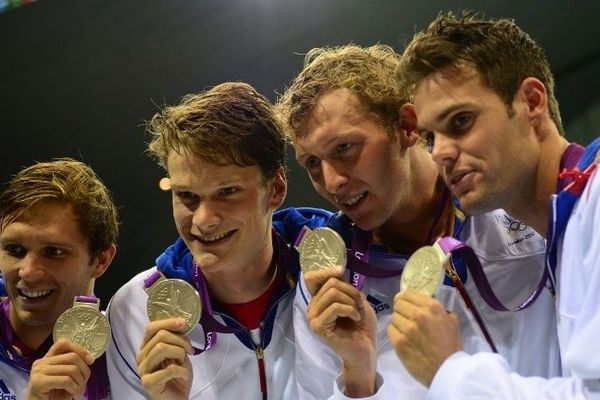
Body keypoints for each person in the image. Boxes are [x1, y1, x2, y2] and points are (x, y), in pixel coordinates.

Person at [275, 43, 561, 399]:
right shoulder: (327, 283)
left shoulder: (512, 205)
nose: (332, 182)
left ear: (407, 127)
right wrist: (358, 379)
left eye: (345, 148)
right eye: (313, 164)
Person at [389, 11, 600, 399]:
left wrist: (449, 371)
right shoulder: (566, 227)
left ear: (531, 102)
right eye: (431, 137)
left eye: (461, 122)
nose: (441, 154)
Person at [106, 82, 330, 399]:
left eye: (227, 193)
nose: (203, 220)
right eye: (186, 196)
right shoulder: (134, 310)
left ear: (276, 189)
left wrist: (359, 377)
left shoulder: (343, 272)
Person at [0, 158, 118, 399]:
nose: (28, 272)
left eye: (54, 252)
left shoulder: (125, 352)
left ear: (101, 260)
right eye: (14, 249)